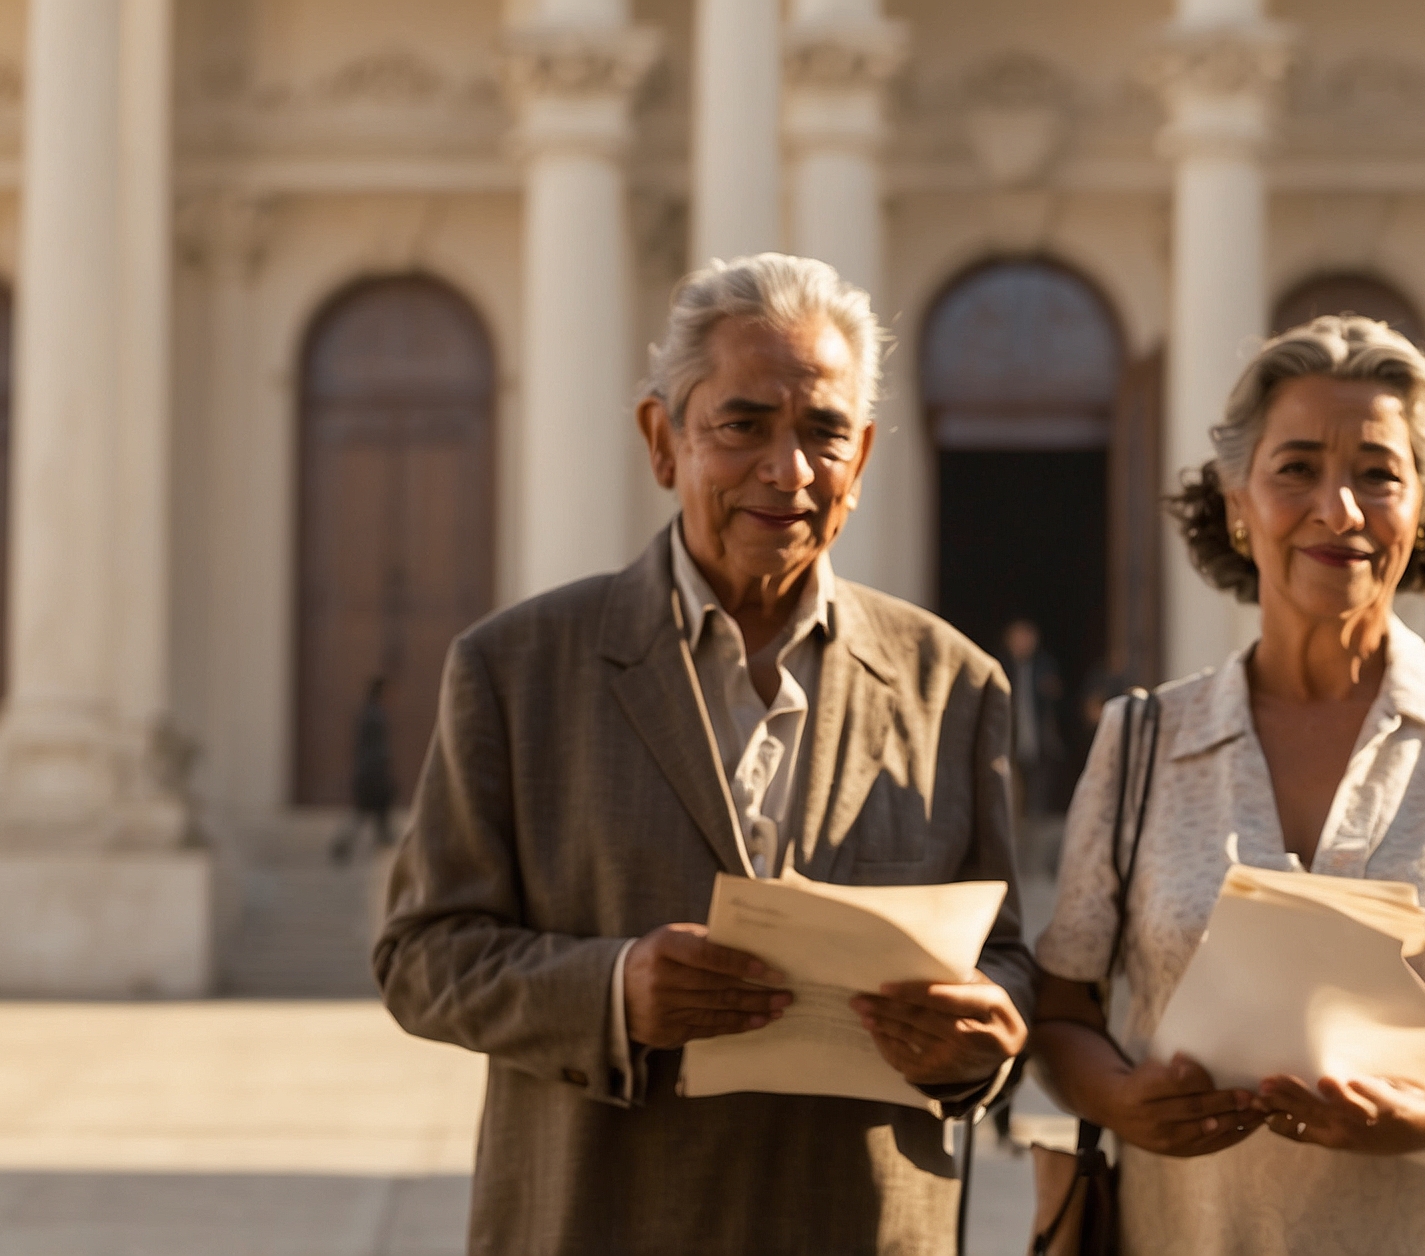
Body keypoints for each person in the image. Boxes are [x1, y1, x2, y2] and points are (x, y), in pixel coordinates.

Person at [374, 254, 1033, 1254]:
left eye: (821, 433)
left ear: (861, 453)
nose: (788, 469)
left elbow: (1009, 960)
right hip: (597, 1213)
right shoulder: (515, 667)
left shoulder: (955, 683)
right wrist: (611, 987)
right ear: (661, 437)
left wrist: (982, 1035)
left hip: (857, 1221)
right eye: (743, 424)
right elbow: (419, 955)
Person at [1030, 316, 1425, 1255]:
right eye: (1297, 467)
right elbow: (1063, 1010)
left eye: (1378, 474)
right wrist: (1120, 1099)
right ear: (1238, 500)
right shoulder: (1144, 738)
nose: (1338, 509)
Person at [999, 618, 1067, 818]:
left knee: (1039, 782)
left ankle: (1035, 822)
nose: (1023, 643)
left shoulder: (1045, 665)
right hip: (1010, 733)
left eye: (1027, 638)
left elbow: (1058, 698)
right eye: (1018, 638)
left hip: (1038, 733)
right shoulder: (1000, 666)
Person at [328, 675, 396, 864]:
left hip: (366, 773)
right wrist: (383, 773)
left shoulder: (366, 713)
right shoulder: (376, 716)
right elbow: (378, 749)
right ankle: (345, 847)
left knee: (375, 817)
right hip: (373, 775)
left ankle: (382, 851)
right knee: (369, 816)